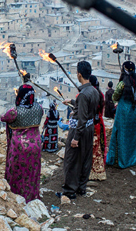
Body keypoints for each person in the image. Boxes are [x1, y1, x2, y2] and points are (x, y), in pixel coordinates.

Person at [58, 61, 99, 199]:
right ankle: (82, 187)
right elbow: (86, 108)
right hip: (89, 129)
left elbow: (81, 118)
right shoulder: (94, 91)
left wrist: (75, 138)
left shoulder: (82, 94)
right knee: (86, 158)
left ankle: (69, 190)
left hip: (79, 130)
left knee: (71, 159)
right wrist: (72, 101)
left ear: (79, 74)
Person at [1, 83, 44, 202]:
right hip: (35, 144)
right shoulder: (39, 108)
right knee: (32, 171)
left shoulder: (15, 111)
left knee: (17, 171)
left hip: (19, 147)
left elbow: (3, 118)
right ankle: (32, 196)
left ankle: (17, 197)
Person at [106, 61, 136, 169]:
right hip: (134, 111)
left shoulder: (122, 83)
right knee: (132, 134)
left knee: (121, 134)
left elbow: (114, 97)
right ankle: (132, 157)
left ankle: (120, 159)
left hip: (123, 111)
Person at [89, 75, 107, 181]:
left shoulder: (89, 94)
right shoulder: (101, 94)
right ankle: (98, 168)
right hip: (99, 122)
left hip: (90, 123)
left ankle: (90, 170)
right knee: (98, 146)